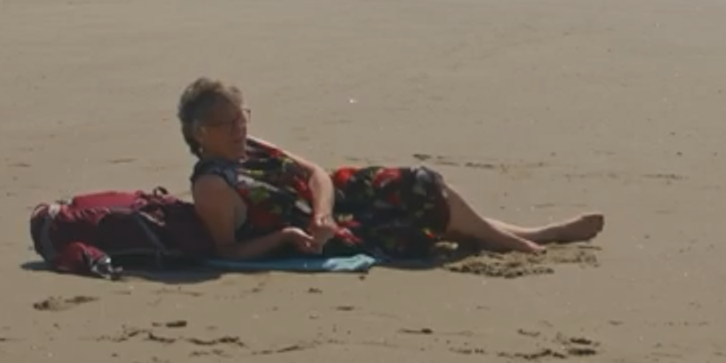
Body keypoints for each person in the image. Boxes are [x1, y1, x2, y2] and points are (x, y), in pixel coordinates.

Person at [177, 77, 603, 261]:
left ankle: (526, 235)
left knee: (419, 183)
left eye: (242, 117)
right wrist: (288, 234)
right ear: (200, 133)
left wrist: (322, 210)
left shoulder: (254, 146)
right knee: (415, 213)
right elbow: (225, 251)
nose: (239, 128)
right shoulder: (213, 185)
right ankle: (527, 237)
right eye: (227, 123)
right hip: (314, 233)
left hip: (332, 202)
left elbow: (316, 174)